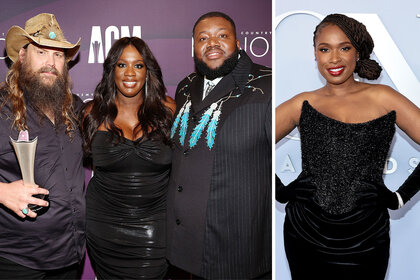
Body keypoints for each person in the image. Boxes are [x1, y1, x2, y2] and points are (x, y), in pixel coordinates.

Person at [275, 13, 420, 280]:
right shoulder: (302, 103)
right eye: (324, 49)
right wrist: (280, 190)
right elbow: (247, 142)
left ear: (358, 53)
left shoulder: (384, 97)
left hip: (367, 236)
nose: (334, 58)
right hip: (305, 232)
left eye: (344, 48)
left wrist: (400, 196)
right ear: (315, 55)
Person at [166, 11, 272, 279]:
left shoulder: (269, 86)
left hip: (237, 254)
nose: (212, 43)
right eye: (203, 38)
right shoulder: (185, 86)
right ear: (194, 47)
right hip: (184, 246)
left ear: (238, 43)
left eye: (222, 35)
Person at [81, 37, 175, 279]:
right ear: (111, 70)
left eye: (138, 65)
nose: (130, 73)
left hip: (155, 226)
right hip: (103, 226)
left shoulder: (169, 110)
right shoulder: (92, 113)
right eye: (122, 65)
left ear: (148, 71)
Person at [0, 13, 85, 279]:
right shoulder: (1, 107)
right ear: (22, 57)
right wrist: (1, 191)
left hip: (70, 254)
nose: (50, 63)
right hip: (18, 259)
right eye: (41, 52)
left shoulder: (75, 108)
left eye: (58, 55)